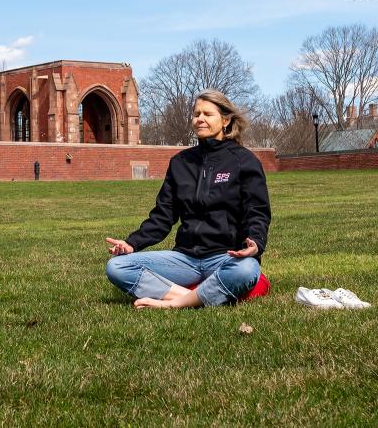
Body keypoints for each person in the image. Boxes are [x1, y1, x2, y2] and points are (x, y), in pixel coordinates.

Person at [104, 90, 270, 309]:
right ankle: (195, 298)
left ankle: (173, 303)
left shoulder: (244, 161)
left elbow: (257, 211)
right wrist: (132, 243)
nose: (199, 119)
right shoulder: (180, 163)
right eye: (196, 113)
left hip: (225, 258)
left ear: (226, 120)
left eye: (207, 114)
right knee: (116, 267)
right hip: (185, 260)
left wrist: (255, 242)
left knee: (248, 270)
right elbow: (162, 216)